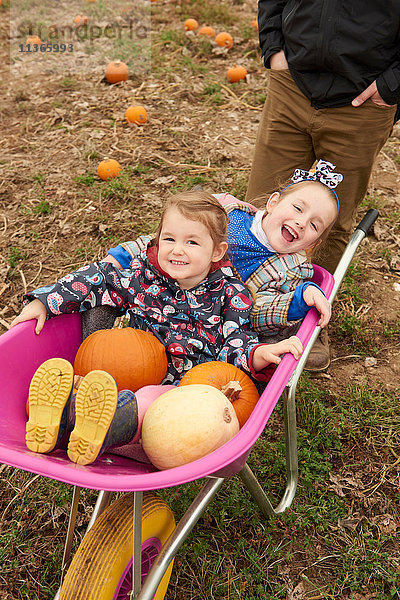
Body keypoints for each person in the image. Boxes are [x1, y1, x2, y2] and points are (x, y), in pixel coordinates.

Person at [10, 190, 302, 465]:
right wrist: (45, 301)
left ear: (217, 251)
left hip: (185, 395)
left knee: (149, 402)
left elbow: (236, 342)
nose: (177, 250)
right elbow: (100, 277)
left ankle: (90, 426)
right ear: (157, 240)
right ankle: (63, 418)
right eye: (169, 239)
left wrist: (260, 354)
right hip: (131, 373)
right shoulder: (143, 277)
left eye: (192, 242)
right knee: (108, 389)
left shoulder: (231, 294)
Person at [245, 0, 399, 369]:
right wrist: (274, 49)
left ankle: (305, 315)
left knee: (328, 223)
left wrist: (391, 84)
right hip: (291, 84)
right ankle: (237, 304)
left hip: (362, 103)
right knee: (261, 204)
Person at [107, 161, 340, 342]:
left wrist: (296, 301)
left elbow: (257, 314)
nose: (301, 222)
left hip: (205, 326)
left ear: (313, 243)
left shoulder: (290, 271)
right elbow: (170, 239)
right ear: (273, 203)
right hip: (162, 290)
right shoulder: (227, 213)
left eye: (314, 225)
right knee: (105, 291)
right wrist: (124, 255)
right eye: (298, 208)